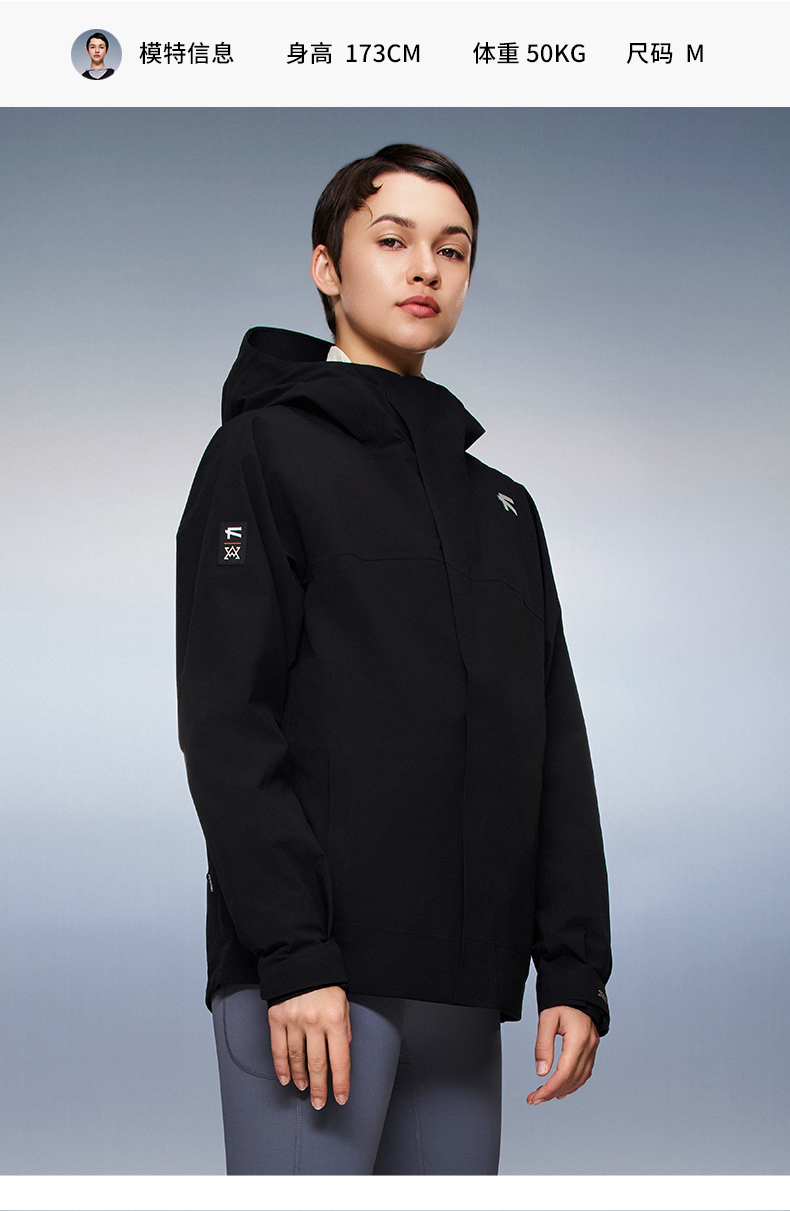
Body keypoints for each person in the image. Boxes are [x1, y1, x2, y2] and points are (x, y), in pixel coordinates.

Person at [176, 144, 611, 1176]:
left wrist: (573, 969)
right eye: (392, 240)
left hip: (461, 983)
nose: (426, 268)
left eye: (452, 250)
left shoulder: (503, 507)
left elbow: (551, 738)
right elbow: (228, 720)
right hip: (318, 977)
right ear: (326, 266)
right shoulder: (261, 454)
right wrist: (293, 954)